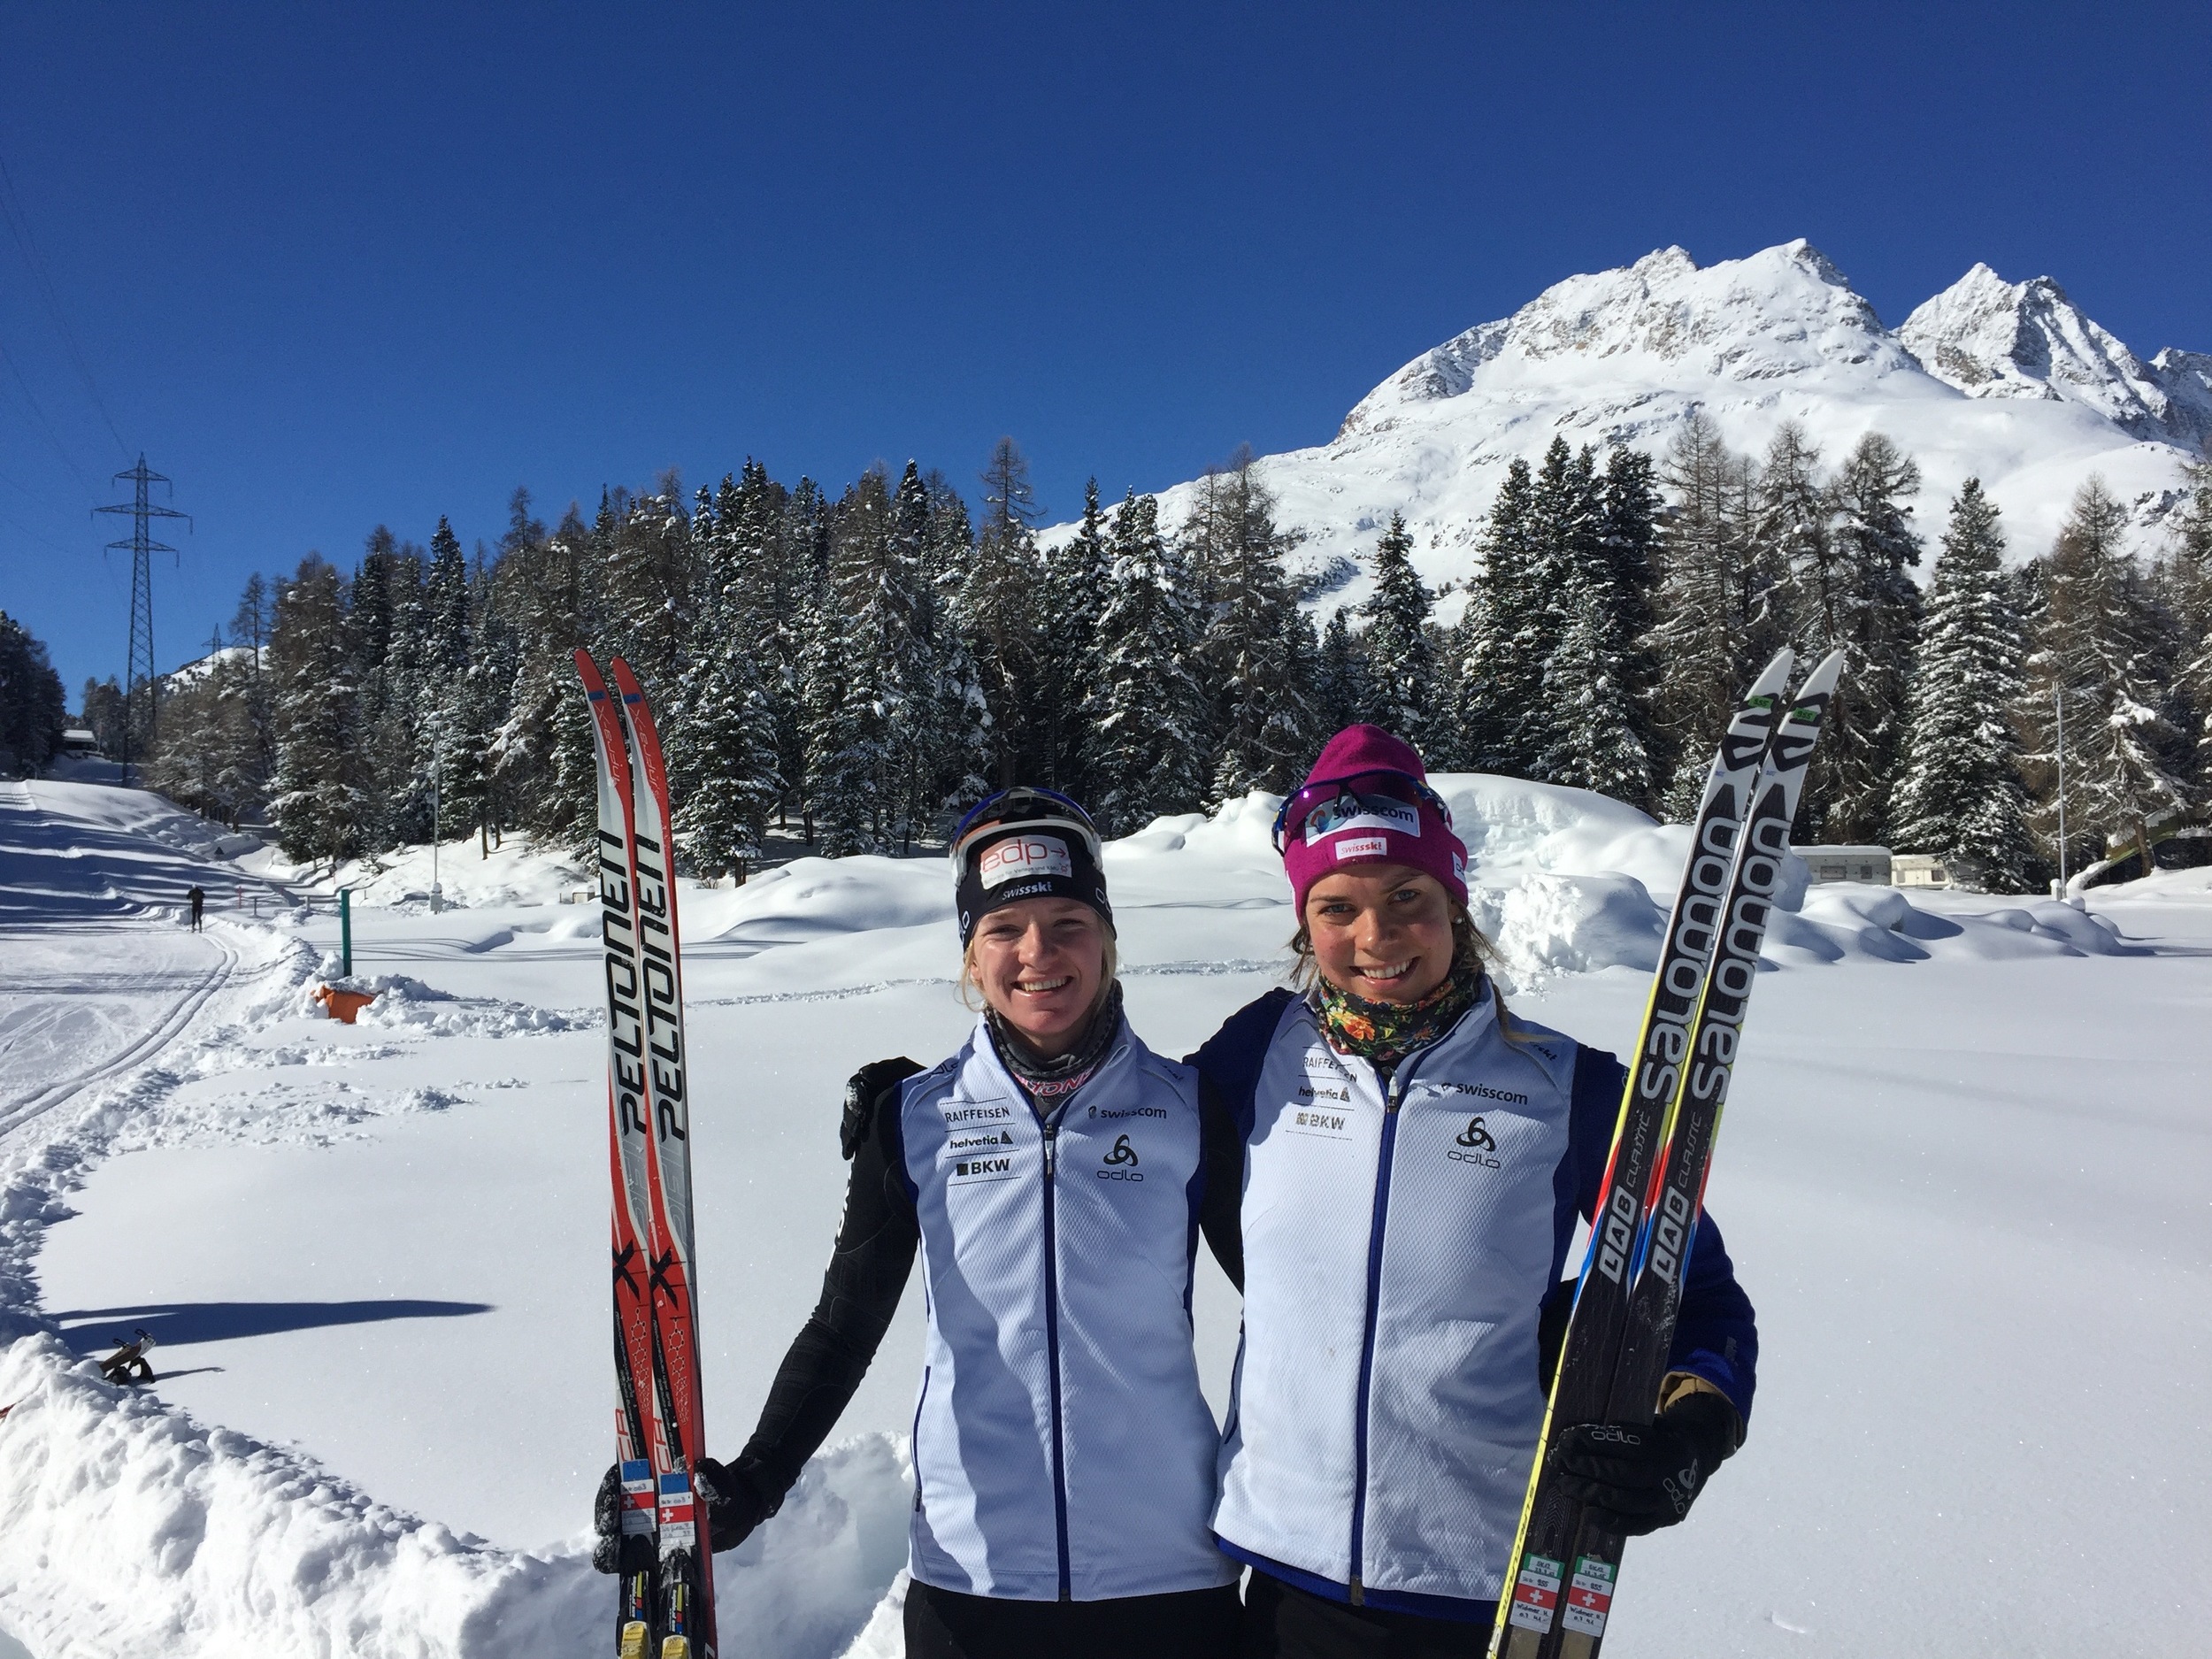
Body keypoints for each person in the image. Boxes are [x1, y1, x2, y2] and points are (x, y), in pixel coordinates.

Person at [595, 787, 1245, 1659]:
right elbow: (842, 1327)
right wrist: (751, 1483)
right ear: (970, 958)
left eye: (1068, 923)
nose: (1038, 954)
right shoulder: (912, 1121)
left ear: (1109, 940)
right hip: (973, 1583)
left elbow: (1293, 1309)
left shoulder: (1186, 1108)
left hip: (1169, 1578)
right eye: (1004, 931)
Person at [1189, 726, 1757, 1657]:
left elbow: (1692, 1288)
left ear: (1455, 904)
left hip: (1482, 1587)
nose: (1375, 937)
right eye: (1337, 908)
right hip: (1284, 1577)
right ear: (1305, 925)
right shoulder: (1255, 1056)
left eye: (1407, 898)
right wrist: (927, 1106)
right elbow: (1110, 1136)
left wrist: (1692, 1427)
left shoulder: (1568, 1090)